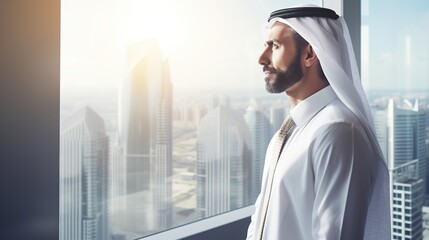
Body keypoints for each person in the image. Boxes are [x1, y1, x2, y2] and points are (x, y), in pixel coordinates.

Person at [246, 4, 390, 240]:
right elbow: (261, 218)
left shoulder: (339, 131)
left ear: (309, 54)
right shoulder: (289, 130)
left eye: (275, 46)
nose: (262, 58)